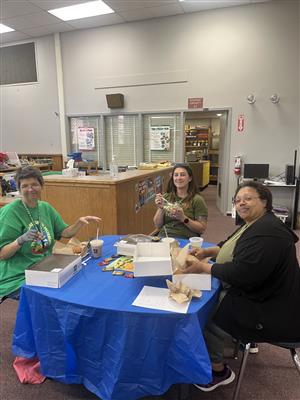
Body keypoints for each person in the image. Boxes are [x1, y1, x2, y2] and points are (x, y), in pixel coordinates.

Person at [183, 181, 300, 392]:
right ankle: (232, 342)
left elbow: (241, 275)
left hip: (271, 309)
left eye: (248, 198)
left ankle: (218, 371)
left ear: (265, 202)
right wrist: (208, 253)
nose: (241, 203)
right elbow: (229, 244)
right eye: (237, 200)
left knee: (207, 309)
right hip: (268, 291)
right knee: (210, 290)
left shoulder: (266, 234)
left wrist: (202, 267)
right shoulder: (256, 223)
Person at [0, 166, 102, 303]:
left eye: (34, 184)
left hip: (45, 270)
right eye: (25, 186)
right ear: (19, 189)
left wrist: (79, 223)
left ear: (41, 186)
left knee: (79, 285)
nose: (30, 189)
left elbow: (64, 232)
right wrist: (21, 240)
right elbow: (3, 254)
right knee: (58, 301)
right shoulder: (10, 212)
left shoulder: (45, 207)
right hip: (18, 278)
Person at [153, 163, 208, 239]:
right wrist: (161, 208)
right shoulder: (166, 197)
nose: (178, 178)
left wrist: (183, 218)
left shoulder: (197, 200)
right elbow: (158, 225)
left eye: (182, 175)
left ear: (190, 178)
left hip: (185, 238)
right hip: (165, 237)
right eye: (176, 175)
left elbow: (201, 229)